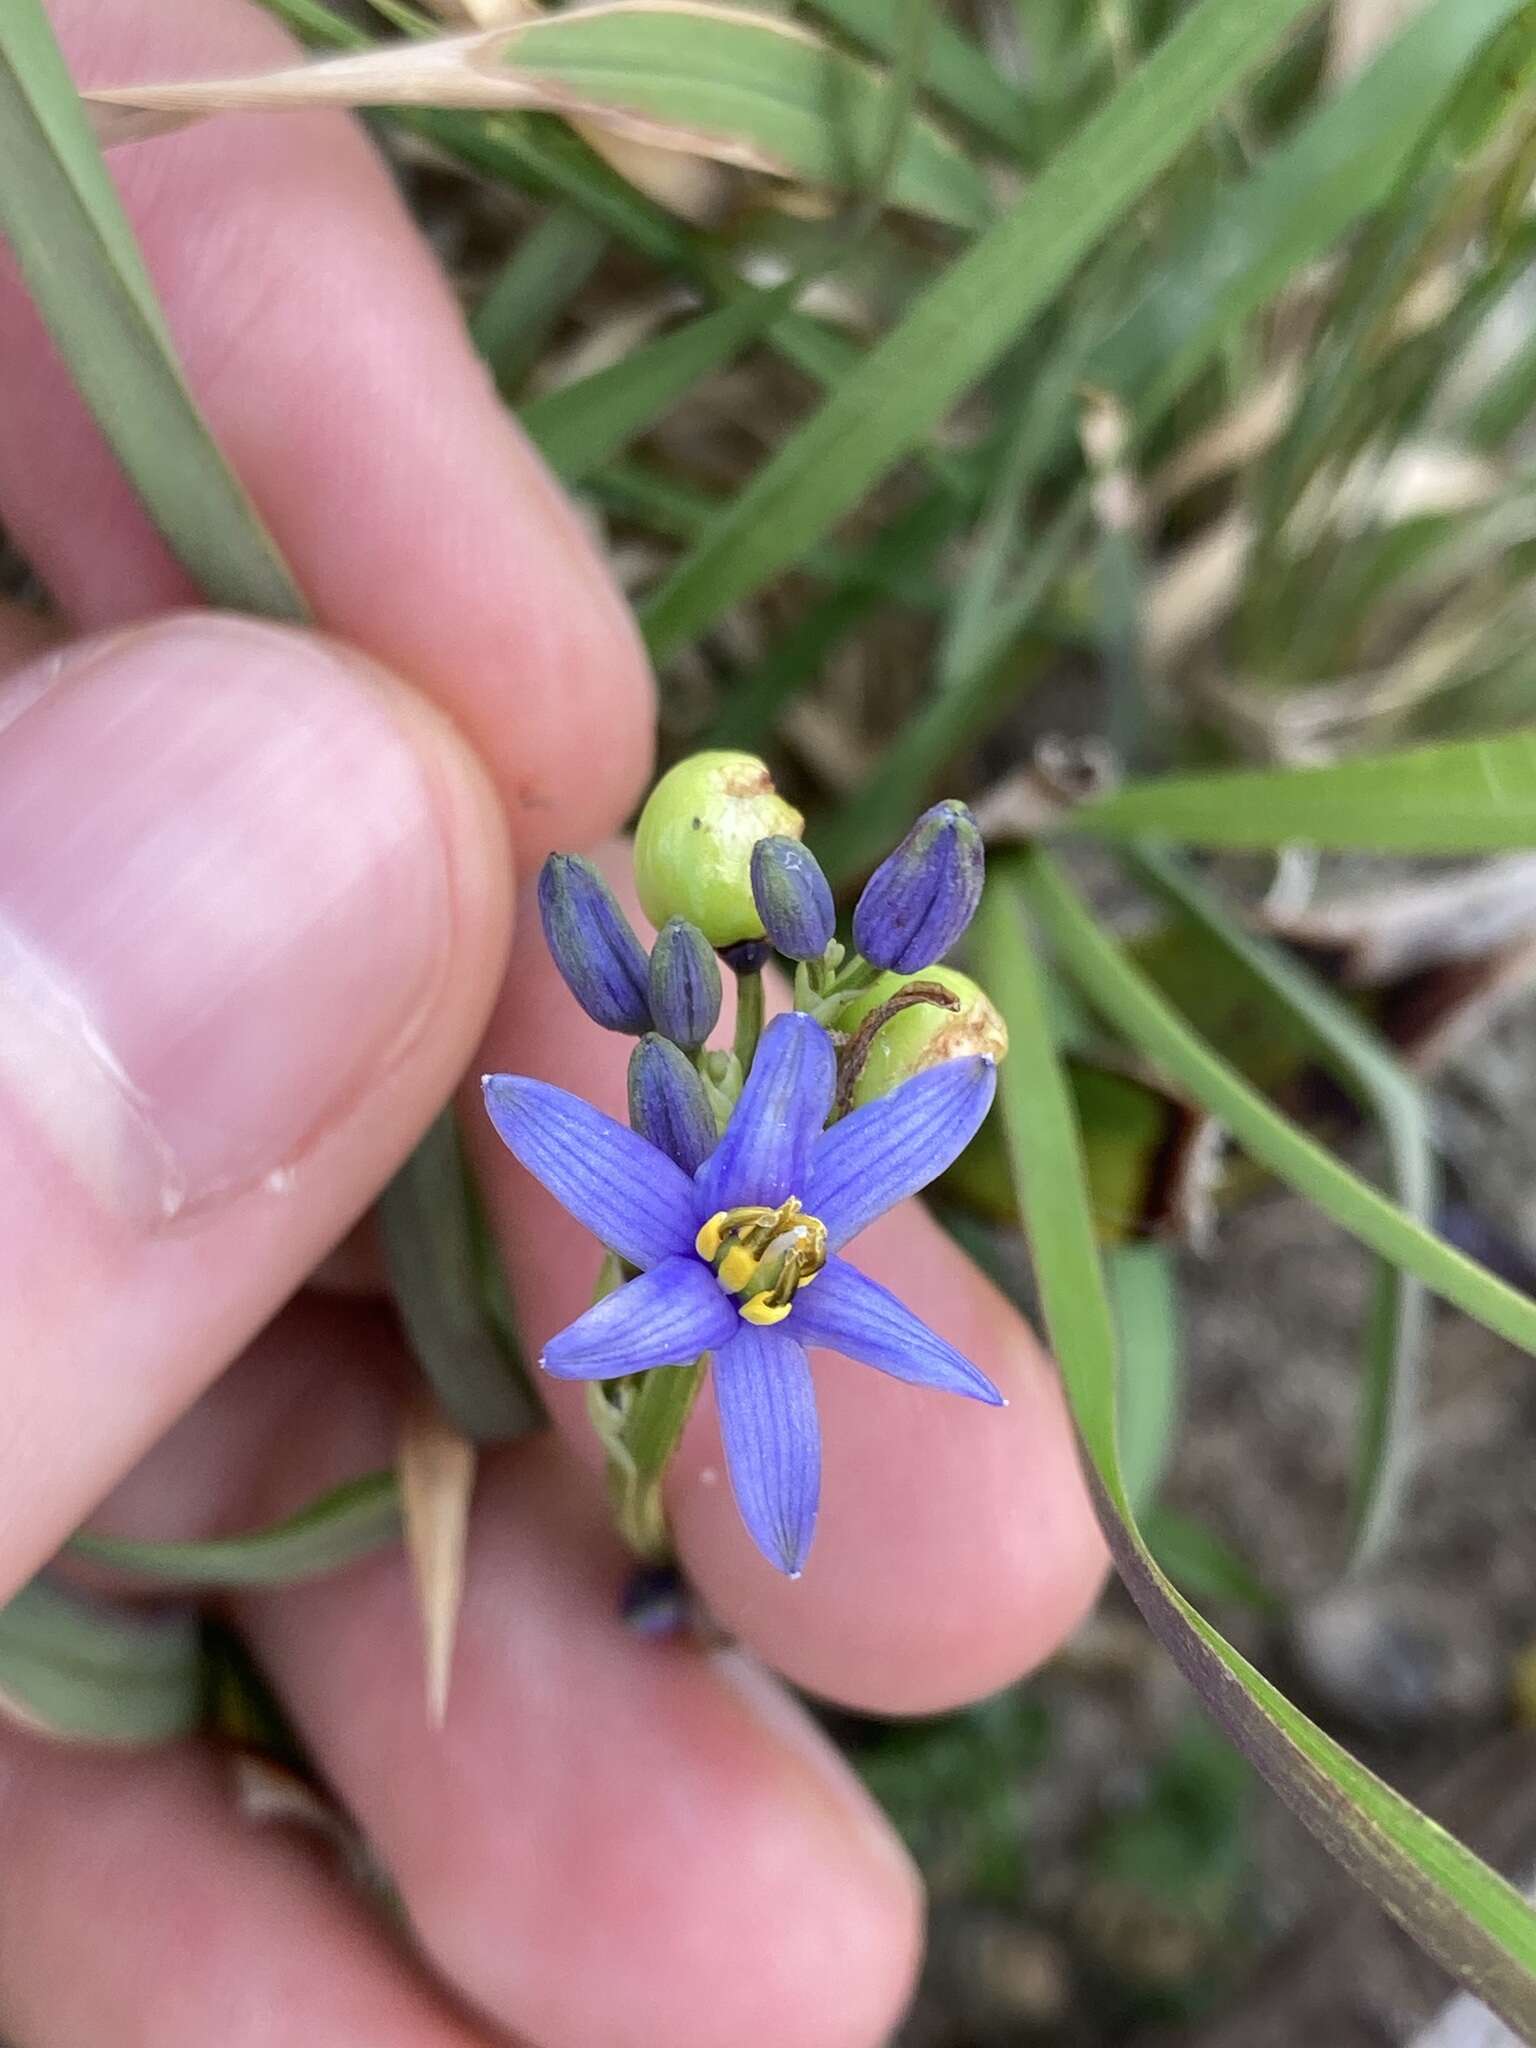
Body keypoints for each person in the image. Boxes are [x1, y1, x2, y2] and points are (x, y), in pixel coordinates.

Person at [0, 3, 1106, 2041]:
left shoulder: (752, 1227)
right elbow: (668, 1195)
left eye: (776, 1248)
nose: (776, 1248)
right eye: (775, 1241)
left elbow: (707, 1227)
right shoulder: (713, 1166)